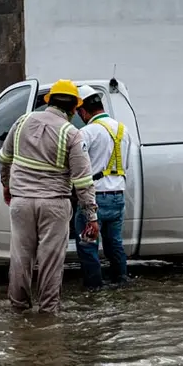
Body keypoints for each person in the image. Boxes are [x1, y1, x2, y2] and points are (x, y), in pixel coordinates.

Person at [0, 79, 100, 314]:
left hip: (21, 202)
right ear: (74, 108)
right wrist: (91, 216)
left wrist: (7, 185)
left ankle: (18, 311)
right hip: (54, 205)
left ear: (49, 101)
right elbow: (83, 181)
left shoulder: (22, 122)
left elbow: (4, 159)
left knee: (21, 258)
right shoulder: (71, 133)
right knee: (50, 262)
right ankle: (47, 315)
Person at [72, 84, 130, 290]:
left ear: (83, 110)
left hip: (94, 198)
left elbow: (77, 165)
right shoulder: (124, 131)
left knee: (88, 245)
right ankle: (122, 281)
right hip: (118, 196)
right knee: (115, 243)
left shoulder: (87, 132)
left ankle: (94, 289)